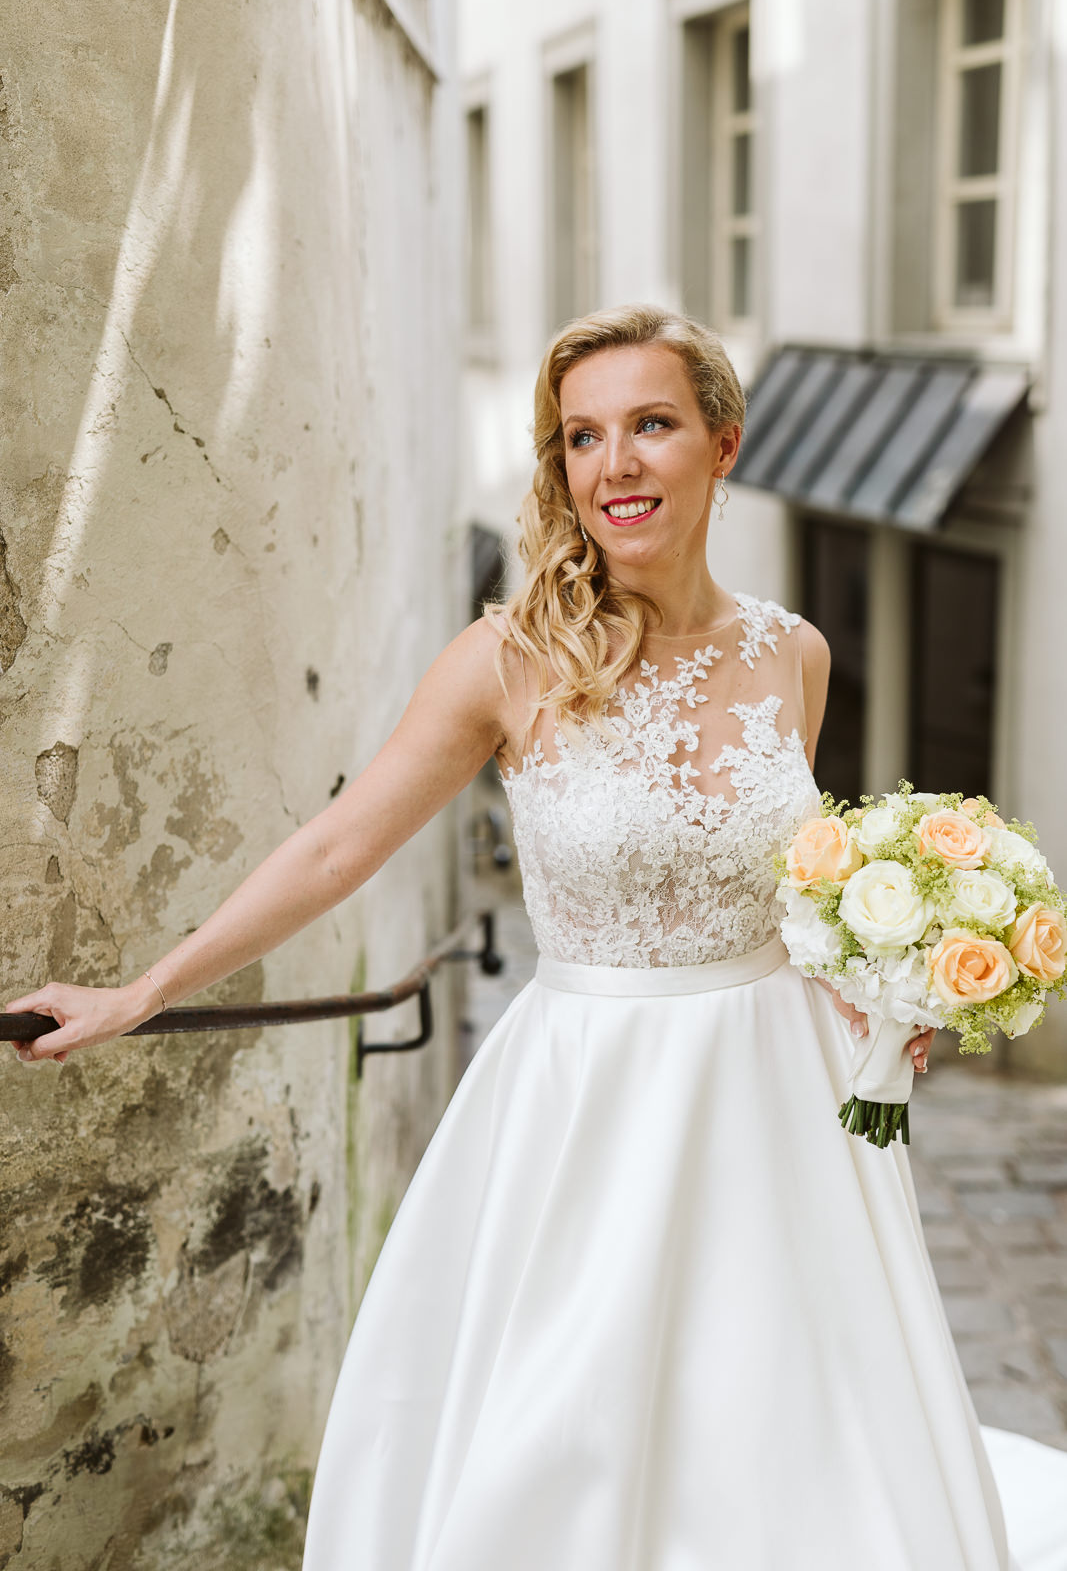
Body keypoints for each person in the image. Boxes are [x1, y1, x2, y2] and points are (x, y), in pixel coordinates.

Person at [8, 303, 1066, 1568]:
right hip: (588, 1097)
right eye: (581, 437)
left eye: (650, 425)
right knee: (574, 1424)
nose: (612, 464)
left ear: (721, 444)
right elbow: (338, 847)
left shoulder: (795, 653)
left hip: (777, 1093)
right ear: (559, 464)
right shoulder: (506, 660)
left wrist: (880, 983)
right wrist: (142, 991)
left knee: (780, 1412)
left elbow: (794, 880)